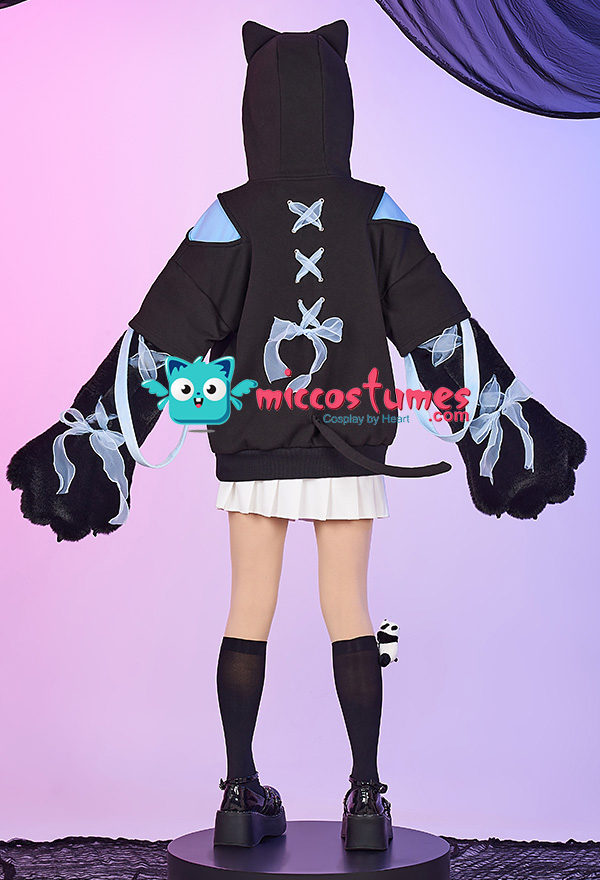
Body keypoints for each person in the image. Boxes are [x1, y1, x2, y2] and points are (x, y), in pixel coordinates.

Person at [7, 17, 586, 853]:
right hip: (351, 442)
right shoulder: (375, 211)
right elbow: (440, 329)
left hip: (254, 448)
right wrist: (503, 431)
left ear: (255, 108)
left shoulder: (230, 216)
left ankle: (239, 794)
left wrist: (94, 441)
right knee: (352, 611)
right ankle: (367, 799)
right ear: (340, 104)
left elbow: (162, 332)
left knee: (249, 607)